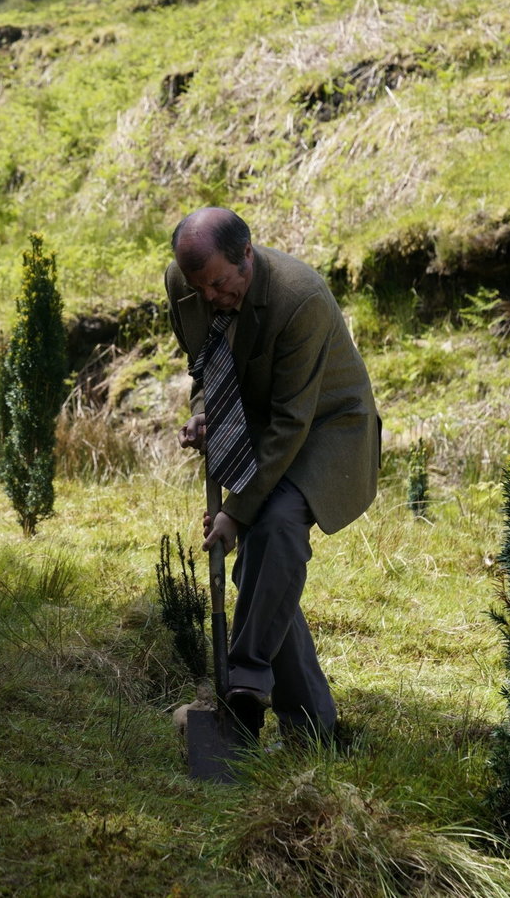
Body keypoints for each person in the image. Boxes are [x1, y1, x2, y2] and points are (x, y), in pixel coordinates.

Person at [165, 207, 380, 744]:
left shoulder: (299, 297)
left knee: (276, 522)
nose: (209, 297)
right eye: (198, 287)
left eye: (218, 283)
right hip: (260, 419)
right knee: (264, 573)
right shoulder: (185, 281)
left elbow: (292, 422)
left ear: (247, 254)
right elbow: (205, 364)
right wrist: (202, 411)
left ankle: (245, 687)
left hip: (327, 425)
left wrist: (236, 512)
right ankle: (316, 728)